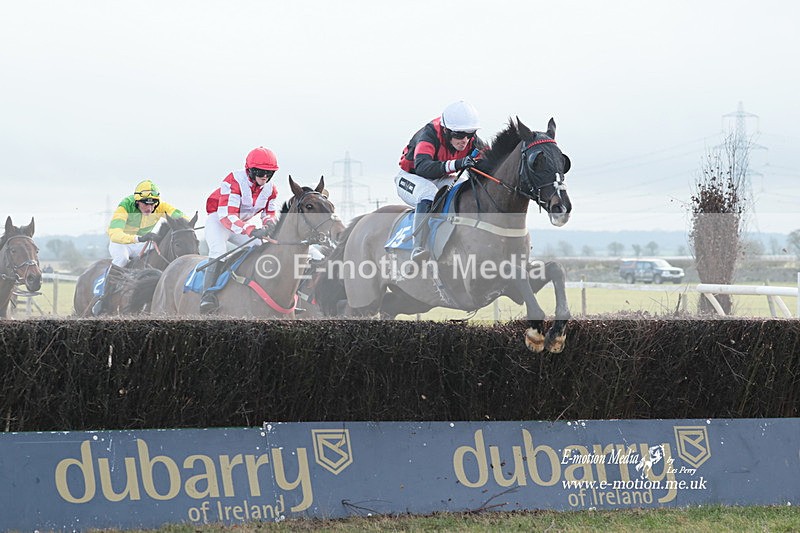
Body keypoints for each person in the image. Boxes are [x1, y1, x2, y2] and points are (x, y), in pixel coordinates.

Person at [395, 100, 488, 262]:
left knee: (464, 190)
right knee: (428, 192)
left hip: (440, 177)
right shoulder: (430, 134)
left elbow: (489, 162)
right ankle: (418, 247)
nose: (465, 140)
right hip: (412, 176)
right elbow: (423, 167)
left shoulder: (471, 140)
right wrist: (458, 164)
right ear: (446, 131)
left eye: (470, 134)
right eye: (459, 135)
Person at [199, 146, 280, 314]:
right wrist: (251, 229)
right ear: (250, 170)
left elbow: (269, 213)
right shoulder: (233, 181)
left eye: (269, 173)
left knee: (260, 247)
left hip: (240, 225)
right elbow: (227, 217)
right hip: (219, 221)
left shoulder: (271, 189)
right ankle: (207, 296)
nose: (264, 177)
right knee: (219, 250)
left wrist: (269, 224)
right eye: (260, 172)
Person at [94, 179, 187, 315]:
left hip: (141, 242)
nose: (149, 208)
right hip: (121, 242)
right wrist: (138, 238)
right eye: (145, 204)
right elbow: (114, 233)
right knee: (122, 259)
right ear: (137, 201)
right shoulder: (125, 206)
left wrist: (186, 226)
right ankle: (103, 299)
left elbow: (182, 217)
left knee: (159, 255)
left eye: (153, 204)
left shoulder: (160, 206)